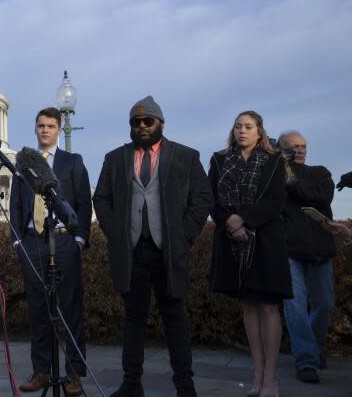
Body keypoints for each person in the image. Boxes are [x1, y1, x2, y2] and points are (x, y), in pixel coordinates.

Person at [92, 96, 212, 397]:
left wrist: (184, 236)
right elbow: (101, 199)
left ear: (161, 123)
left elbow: (202, 199)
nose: (142, 126)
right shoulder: (114, 158)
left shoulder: (186, 156)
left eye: (148, 121)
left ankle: (185, 385)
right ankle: (131, 384)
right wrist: (115, 232)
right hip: (132, 251)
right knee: (133, 318)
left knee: (175, 317)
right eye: (136, 122)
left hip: (169, 251)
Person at [208, 110, 291, 397]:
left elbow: (275, 200)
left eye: (248, 126)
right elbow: (211, 199)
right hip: (232, 242)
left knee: (268, 306)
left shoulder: (273, 161)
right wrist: (230, 223)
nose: (242, 131)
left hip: (265, 242)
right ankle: (257, 372)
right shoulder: (219, 160)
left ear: (259, 132)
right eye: (238, 126)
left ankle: (270, 378)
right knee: (248, 306)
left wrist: (244, 219)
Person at [9, 107, 91, 395]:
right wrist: (17, 241)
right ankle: (41, 371)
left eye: (51, 126)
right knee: (38, 309)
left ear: (59, 129)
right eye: (41, 125)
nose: (45, 130)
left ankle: (74, 375)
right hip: (32, 241)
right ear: (35, 129)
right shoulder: (24, 163)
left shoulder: (72, 161)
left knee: (70, 309)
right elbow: (16, 204)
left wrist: (80, 239)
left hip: (64, 241)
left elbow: (83, 202)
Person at [276, 131, 336, 384]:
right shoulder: (277, 174)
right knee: (295, 306)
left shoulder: (320, 172)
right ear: (282, 149)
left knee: (324, 304)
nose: (299, 150)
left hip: (321, 249)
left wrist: (291, 181)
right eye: (293, 147)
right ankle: (306, 360)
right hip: (290, 250)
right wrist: (281, 168)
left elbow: (320, 196)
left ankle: (313, 348)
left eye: (302, 146)